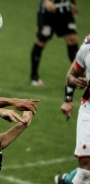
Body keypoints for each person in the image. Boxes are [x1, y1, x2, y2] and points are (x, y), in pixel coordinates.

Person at [57, 34, 90, 184]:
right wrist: (68, 98)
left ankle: (66, 180)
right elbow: (72, 74)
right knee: (84, 171)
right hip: (89, 111)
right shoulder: (87, 46)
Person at [30, 0, 79, 86]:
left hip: (64, 8)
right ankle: (34, 77)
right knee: (41, 42)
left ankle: (78, 74)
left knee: (73, 40)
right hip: (48, 10)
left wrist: (74, 3)